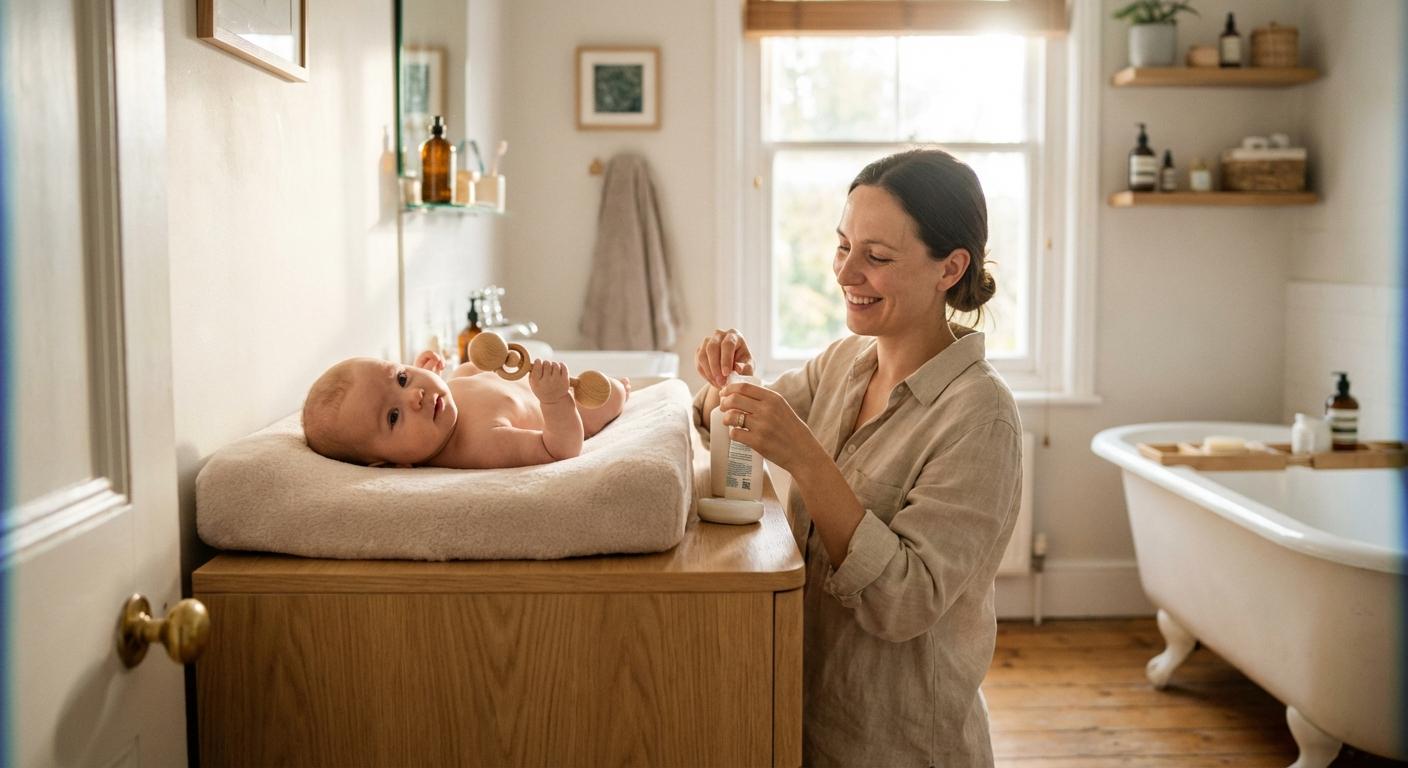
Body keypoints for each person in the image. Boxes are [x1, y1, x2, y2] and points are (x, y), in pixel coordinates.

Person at [695, 148, 1022, 766]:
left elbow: (906, 602)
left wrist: (808, 461)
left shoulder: (981, 419)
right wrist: (726, 379)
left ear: (949, 268)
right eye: (844, 246)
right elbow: (719, 415)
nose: (846, 274)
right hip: (804, 717)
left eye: (877, 257)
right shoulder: (845, 361)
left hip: (898, 743)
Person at [303, 350, 630, 469]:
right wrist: (555, 399)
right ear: (390, 464)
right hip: (560, 407)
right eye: (393, 416)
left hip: (508, 384)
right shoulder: (479, 444)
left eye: (402, 378)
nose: (415, 396)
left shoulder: (439, 406)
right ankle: (625, 392)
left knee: (466, 373)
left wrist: (435, 374)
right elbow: (559, 449)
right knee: (610, 393)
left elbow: (457, 386)